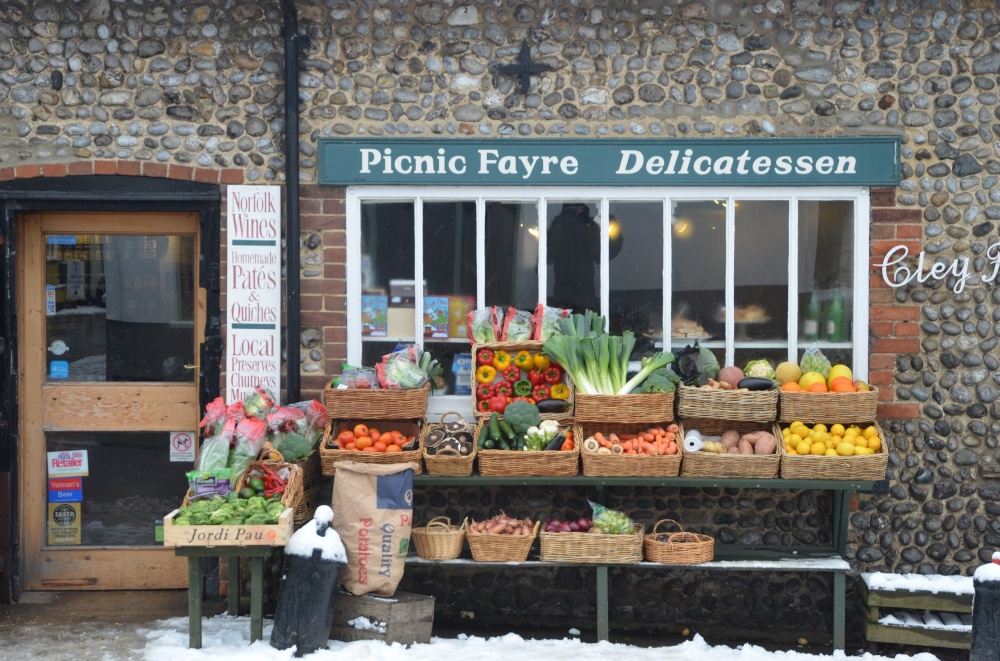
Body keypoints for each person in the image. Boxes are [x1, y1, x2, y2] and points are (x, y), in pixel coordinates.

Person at [547, 202, 622, 313]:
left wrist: (597, 230)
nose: (578, 211)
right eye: (573, 209)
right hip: (563, 289)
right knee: (561, 325)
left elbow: (600, 255)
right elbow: (548, 256)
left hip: (585, 289)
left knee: (586, 324)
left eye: (580, 209)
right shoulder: (559, 226)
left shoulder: (590, 226)